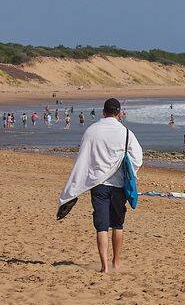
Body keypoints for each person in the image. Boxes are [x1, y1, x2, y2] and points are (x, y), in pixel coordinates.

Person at [58, 98, 144, 273]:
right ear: (119, 113)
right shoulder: (126, 133)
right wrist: (124, 167)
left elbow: (84, 158)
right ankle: (116, 263)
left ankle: (104, 266)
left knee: (101, 226)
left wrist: (78, 184)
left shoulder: (92, 131)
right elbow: (137, 160)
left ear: (103, 112)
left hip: (98, 184)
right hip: (119, 185)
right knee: (118, 225)